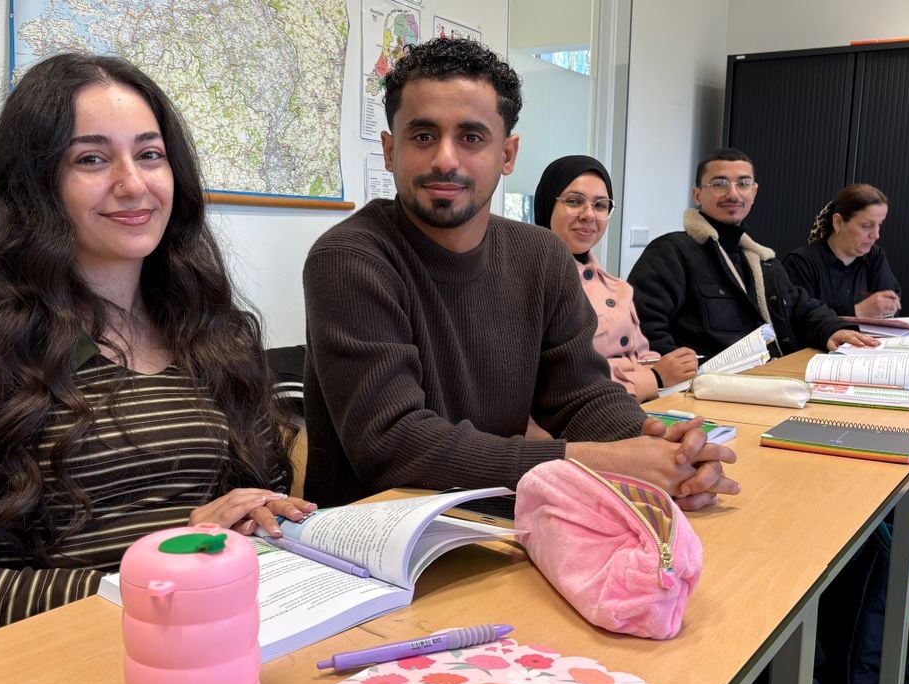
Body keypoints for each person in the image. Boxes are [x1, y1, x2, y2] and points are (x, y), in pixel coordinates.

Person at [0, 53, 315, 664]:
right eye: (91, 159)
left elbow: (250, 509)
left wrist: (256, 521)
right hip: (61, 665)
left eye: (150, 154)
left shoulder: (216, 335)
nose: (133, 183)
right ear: (35, 186)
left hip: (215, 648)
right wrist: (155, 578)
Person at [302, 37, 738, 510]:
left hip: (501, 525)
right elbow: (392, 444)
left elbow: (581, 397)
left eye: (471, 137)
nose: (446, 158)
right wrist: (600, 463)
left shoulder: (541, 255)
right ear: (390, 150)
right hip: (372, 548)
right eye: (423, 136)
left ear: (508, 154)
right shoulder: (350, 258)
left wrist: (663, 449)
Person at [627, 148, 876, 360]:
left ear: (754, 193)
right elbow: (642, 328)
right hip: (708, 391)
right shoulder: (672, 252)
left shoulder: (763, 261)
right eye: (720, 183)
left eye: (743, 184)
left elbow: (802, 308)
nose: (733, 194)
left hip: (772, 381)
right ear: (697, 195)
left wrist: (832, 330)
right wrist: (680, 376)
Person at [533, 154, 697, 400]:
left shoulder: (618, 288)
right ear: (547, 205)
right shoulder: (532, 281)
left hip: (640, 405)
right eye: (574, 201)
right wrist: (655, 378)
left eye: (600, 205)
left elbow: (641, 354)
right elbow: (559, 379)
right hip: (584, 418)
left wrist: (672, 365)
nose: (589, 215)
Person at [784, 183, 902, 318]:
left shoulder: (875, 256)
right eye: (867, 226)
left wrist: (888, 307)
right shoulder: (801, 263)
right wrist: (858, 311)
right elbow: (801, 320)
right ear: (838, 222)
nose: (876, 235)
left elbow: (891, 308)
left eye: (879, 225)